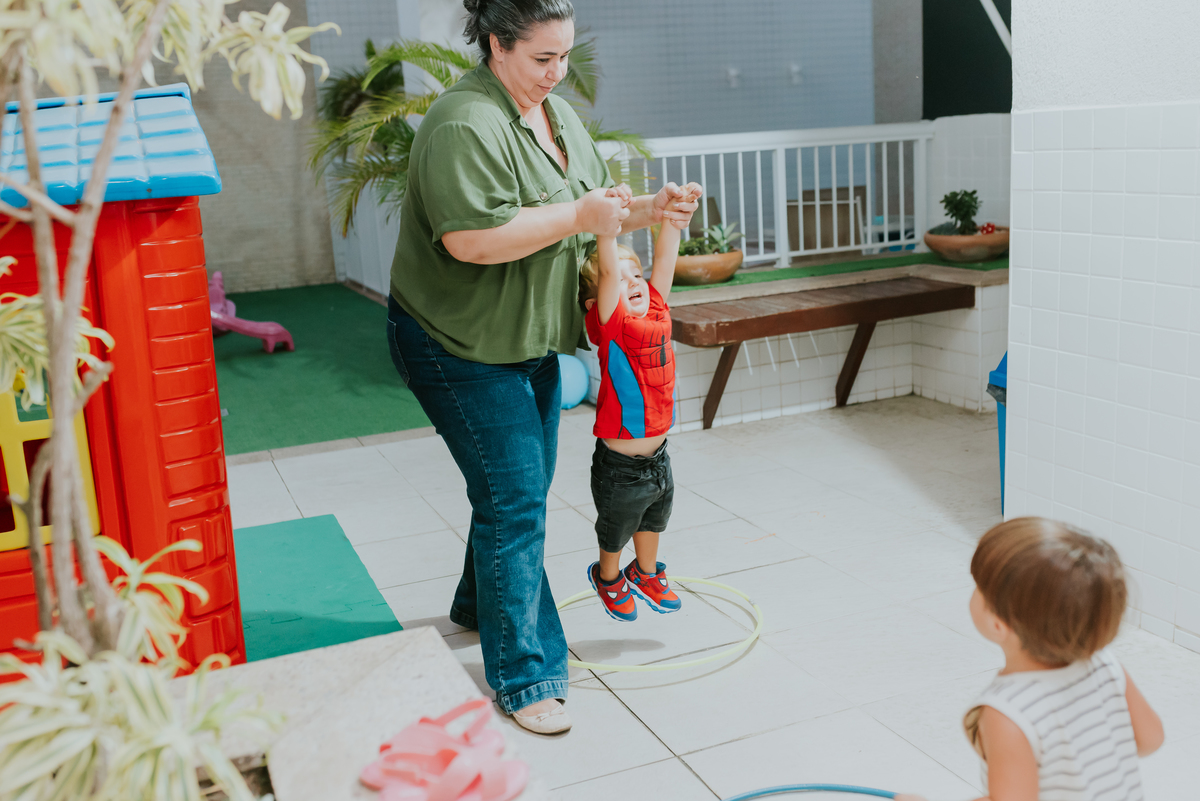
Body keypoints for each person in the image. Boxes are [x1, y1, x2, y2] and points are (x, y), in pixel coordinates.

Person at [385, 0, 700, 735]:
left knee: (511, 489)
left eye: (564, 57)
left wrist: (655, 208)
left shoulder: (558, 118)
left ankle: (477, 603)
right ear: (497, 44)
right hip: (455, 341)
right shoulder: (466, 123)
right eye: (541, 59)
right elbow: (471, 239)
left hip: (525, 339)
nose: (557, 74)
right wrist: (581, 220)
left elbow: (599, 207)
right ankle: (528, 675)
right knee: (518, 498)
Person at [900, 517, 1164, 801]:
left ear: (998, 623)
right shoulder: (1106, 665)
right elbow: (1150, 739)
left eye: (978, 586)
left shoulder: (1007, 710)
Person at [577, 183, 701, 621]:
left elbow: (665, 259)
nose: (635, 283)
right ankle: (607, 575)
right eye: (623, 277)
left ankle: (645, 572)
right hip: (620, 466)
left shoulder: (656, 310)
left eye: (638, 275)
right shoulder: (610, 325)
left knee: (655, 518)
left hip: (657, 456)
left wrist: (676, 213)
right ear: (597, 304)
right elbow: (609, 277)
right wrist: (606, 233)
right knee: (617, 526)